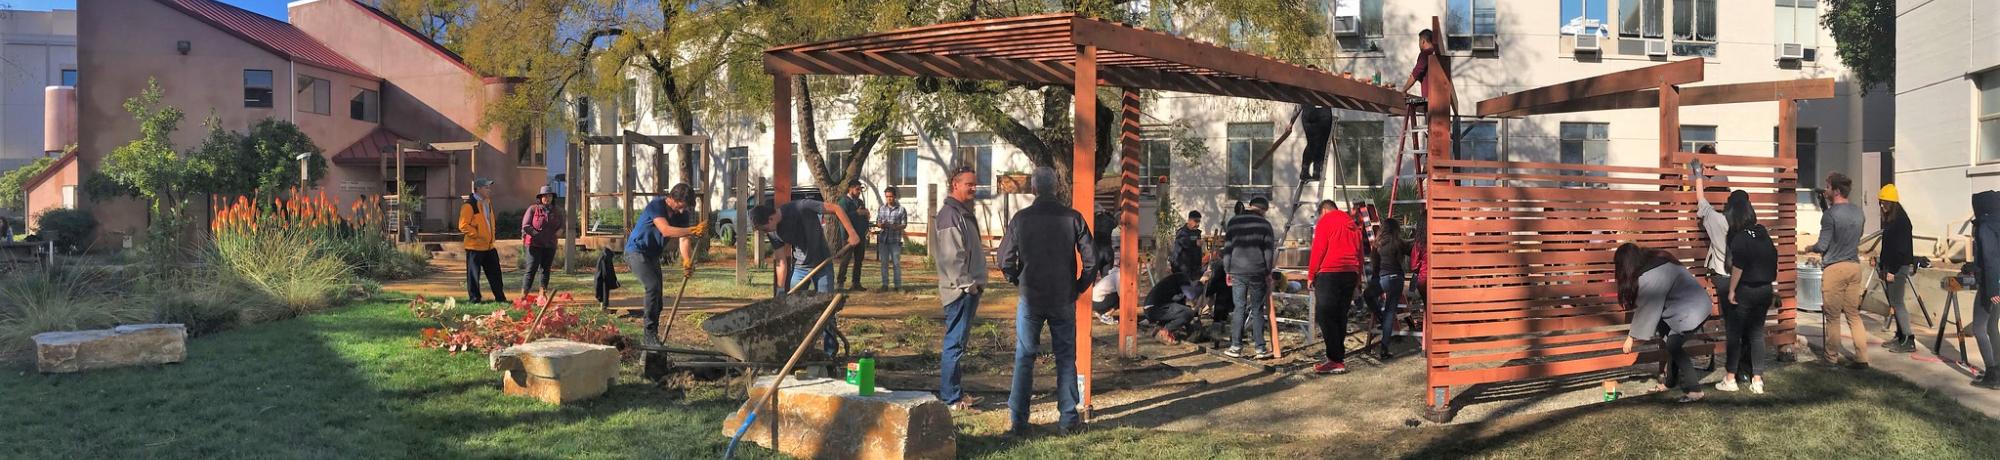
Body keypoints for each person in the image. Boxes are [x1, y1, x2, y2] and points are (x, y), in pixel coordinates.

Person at [998, 167, 1096, 436]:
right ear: (1056, 188)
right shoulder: (1073, 217)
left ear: (1033, 189)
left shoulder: (1020, 219)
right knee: (1066, 358)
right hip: (1063, 296)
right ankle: (1068, 419)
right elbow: (1091, 259)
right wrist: (1079, 286)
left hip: (1031, 296)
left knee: (1025, 357)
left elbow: (1004, 259)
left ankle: (1018, 422)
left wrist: (1017, 280)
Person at [1615, 243, 1714, 403]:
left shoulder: (1651, 275)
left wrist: (1631, 337)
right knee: (1669, 340)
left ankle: (1695, 391)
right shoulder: (1657, 260)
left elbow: (1646, 309)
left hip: (1693, 309)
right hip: (1693, 305)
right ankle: (1670, 383)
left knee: (1674, 346)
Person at [625, 183, 707, 348]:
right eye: (682, 205)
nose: (684, 210)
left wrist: (686, 260)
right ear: (672, 199)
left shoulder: (682, 214)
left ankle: (653, 336)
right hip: (636, 252)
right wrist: (692, 230)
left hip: (653, 255)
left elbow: (684, 240)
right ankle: (648, 335)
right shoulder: (656, 205)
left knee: (658, 299)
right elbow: (666, 230)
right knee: (652, 287)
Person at [932, 167, 987, 410]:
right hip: (960, 291)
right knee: (954, 344)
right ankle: (951, 398)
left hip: (965, 289)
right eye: (969, 184)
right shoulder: (950, 215)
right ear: (955, 184)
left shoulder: (961, 213)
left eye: (975, 184)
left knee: (958, 344)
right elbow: (951, 257)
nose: (974, 188)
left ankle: (955, 392)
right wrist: (968, 286)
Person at [1807, 172, 1869, 369]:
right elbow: (1856, 236)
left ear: (1836, 190)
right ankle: (1862, 358)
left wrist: (1810, 248)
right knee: (1853, 314)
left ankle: (1830, 358)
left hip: (1835, 269)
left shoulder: (1830, 215)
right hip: (1854, 266)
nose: (1824, 190)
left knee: (1833, 316)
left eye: (1827, 187)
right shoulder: (1859, 212)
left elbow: (1823, 245)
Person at [752, 189, 861, 295]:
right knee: (795, 305)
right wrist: (780, 289)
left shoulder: (801, 207)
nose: (765, 232)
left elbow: (836, 208)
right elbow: (781, 262)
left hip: (822, 264)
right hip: (800, 268)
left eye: (765, 229)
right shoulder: (773, 232)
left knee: (824, 303)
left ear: (771, 218)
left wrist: (852, 233)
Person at [1718, 195, 1776, 394]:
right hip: (1765, 289)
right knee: (1757, 334)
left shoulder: (1739, 237)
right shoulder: (1762, 232)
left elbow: (1738, 266)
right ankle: (1757, 379)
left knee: (1734, 335)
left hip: (1746, 290)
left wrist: (1732, 290)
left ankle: (1730, 378)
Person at [1691, 162, 1739, 370]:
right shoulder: (1745, 224)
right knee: (1737, 323)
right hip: (1742, 278)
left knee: (1724, 322)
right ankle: (1740, 367)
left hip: (1721, 277)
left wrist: (1698, 175)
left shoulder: (1717, 221)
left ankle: (1727, 366)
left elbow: (1701, 201)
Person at [1307, 200, 1362, 374]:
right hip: (1350, 273)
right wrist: (1358, 278)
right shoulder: (1352, 224)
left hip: (1329, 272)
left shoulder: (1326, 221)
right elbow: (1360, 252)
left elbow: (1319, 249)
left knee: (1325, 315)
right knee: (1340, 315)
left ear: (1324, 210)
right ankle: (1338, 358)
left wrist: (1311, 274)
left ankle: (1335, 359)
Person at [1222, 196, 1277, 359]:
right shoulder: (1265, 225)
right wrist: (1268, 272)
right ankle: (1260, 348)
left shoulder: (1234, 222)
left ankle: (1235, 347)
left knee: (1239, 307)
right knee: (1257, 309)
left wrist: (1227, 270)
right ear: (1263, 210)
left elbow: (1228, 248)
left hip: (1237, 271)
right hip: (1257, 271)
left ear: (1251, 206)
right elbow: (1268, 251)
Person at [1877, 184, 1919, 353]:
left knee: (1898, 303)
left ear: (1893, 203)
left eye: (1885, 203)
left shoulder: (1901, 222)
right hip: (1890, 266)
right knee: (1894, 302)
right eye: (1881, 202)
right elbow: (1887, 247)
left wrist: (1892, 271)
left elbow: (1900, 250)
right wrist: (1882, 266)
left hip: (1898, 268)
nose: (1882, 206)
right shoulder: (1892, 220)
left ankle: (1908, 339)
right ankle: (1900, 336)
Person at [1364, 217, 1409, 360]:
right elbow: (1413, 250)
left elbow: (1375, 268)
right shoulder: (1399, 243)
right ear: (1396, 230)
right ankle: (1384, 349)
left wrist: (1374, 285)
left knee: (1368, 295)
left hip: (1382, 279)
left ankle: (1380, 317)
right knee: (1391, 311)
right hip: (1397, 279)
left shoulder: (1377, 245)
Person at [1969, 190, 2000, 390]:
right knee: (1992, 326)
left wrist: (1992, 289)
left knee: (1979, 327)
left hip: (1992, 286)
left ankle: (1992, 374)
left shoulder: (1985, 227)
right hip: (1998, 282)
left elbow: (1989, 258)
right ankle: (1998, 368)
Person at [458, 178, 506, 304]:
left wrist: (490, 237)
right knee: (473, 276)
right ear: (478, 189)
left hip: (489, 246)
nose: (489, 190)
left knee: (495, 274)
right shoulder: (469, 205)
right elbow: (463, 225)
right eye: (486, 187)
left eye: (489, 187)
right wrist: (477, 235)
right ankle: (474, 299)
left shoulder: (487, 203)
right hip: (474, 247)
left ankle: (500, 298)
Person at [520, 185, 565, 299]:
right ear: (540, 198)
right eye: (544, 196)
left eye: (549, 196)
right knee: (531, 268)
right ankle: (524, 294)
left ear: (552, 198)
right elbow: (526, 225)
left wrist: (560, 231)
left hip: (550, 244)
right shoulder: (533, 209)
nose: (547, 198)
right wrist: (536, 235)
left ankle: (542, 293)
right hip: (534, 244)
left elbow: (563, 225)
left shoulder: (558, 211)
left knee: (546, 269)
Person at [1142, 271, 1201, 345]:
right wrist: (1201, 283)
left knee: (1184, 311)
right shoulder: (1182, 277)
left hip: (1151, 309)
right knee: (1188, 312)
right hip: (1156, 308)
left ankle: (1159, 329)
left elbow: (1180, 306)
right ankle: (1164, 332)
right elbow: (1191, 295)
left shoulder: (1176, 282)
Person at [836, 183, 871, 291]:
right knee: (845, 260)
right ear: (850, 189)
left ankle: (856, 283)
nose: (859, 191)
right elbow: (842, 216)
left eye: (860, 189)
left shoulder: (859, 202)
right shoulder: (844, 201)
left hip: (860, 236)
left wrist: (866, 224)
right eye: (857, 189)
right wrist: (857, 213)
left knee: (859, 260)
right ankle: (840, 284)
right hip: (849, 237)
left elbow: (864, 215)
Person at [876, 187, 909, 290]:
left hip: (895, 240)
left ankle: (898, 285)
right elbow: (878, 222)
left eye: (890, 196)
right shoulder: (881, 208)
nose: (889, 199)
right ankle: (885, 285)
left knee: (896, 264)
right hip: (883, 240)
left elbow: (904, 224)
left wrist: (896, 227)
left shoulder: (901, 209)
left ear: (894, 196)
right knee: (884, 264)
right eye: (887, 197)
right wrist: (881, 225)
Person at [1399, 29, 1439, 105]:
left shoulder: (1425, 54)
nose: (1419, 44)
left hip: (1429, 100)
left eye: (1419, 41)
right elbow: (1421, 75)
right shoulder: (1435, 54)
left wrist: (1404, 90)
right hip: (1440, 99)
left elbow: (1416, 73)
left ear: (1423, 41)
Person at [1171, 211, 1205, 283]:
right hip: (1182, 267)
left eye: (1199, 221)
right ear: (1189, 220)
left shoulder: (1197, 233)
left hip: (1195, 267)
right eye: (1196, 221)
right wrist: (1194, 243)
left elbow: (1197, 249)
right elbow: (1184, 242)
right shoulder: (1182, 232)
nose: (1197, 224)